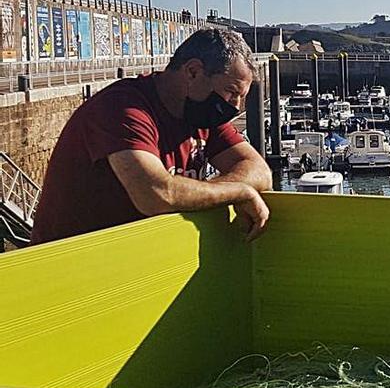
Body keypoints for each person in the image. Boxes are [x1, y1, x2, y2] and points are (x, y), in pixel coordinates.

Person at [31, 28, 271, 245]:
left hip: (135, 260)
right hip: (72, 267)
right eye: (230, 92)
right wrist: (239, 192)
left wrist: (202, 192)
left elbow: (259, 171)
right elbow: (156, 194)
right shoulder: (122, 108)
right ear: (193, 71)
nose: (235, 106)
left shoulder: (201, 113)